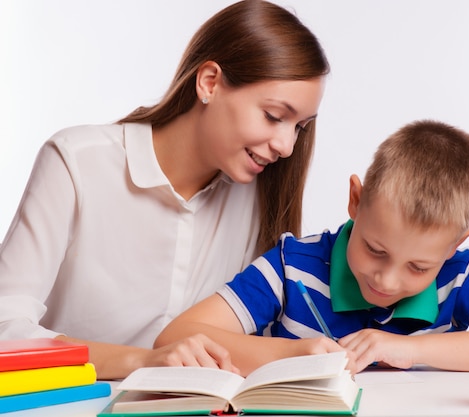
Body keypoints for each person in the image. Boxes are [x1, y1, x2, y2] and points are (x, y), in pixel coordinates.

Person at [0, 0, 329, 379]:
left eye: (300, 127)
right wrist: (142, 361)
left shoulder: (256, 195)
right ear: (209, 83)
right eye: (274, 116)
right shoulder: (76, 163)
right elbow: (7, 328)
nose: (287, 147)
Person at [155, 120, 469, 376]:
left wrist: (408, 349)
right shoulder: (291, 267)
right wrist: (291, 353)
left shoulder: (460, 278)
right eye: (376, 250)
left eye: (418, 266)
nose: (387, 279)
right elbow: (174, 336)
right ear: (355, 201)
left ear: (455, 246)